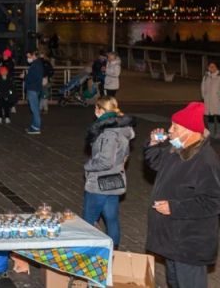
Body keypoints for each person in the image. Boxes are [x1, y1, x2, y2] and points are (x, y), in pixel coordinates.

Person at [145, 102, 220, 288]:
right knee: (175, 282)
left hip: (189, 244)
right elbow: (156, 163)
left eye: (175, 127)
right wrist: (153, 145)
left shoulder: (205, 160)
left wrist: (173, 207)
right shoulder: (178, 148)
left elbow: (213, 201)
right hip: (173, 240)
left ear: (190, 131)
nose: (170, 130)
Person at [83, 96, 135, 248]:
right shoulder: (123, 128)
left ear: (100, 110)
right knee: (112, 219)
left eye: (95, 108)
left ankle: (88, 253)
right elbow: (125, 156)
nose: (94, 111)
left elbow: (105, 161)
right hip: (115, 181)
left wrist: (88, 166)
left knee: (88, 221)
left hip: (99, 184)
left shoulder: (108, 132)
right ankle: (114, 252)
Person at [24, 51, 44, 134]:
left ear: (33, 56)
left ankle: (36, 128)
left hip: (33, 88)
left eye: (29, 56)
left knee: (34, 109)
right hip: (36, 88)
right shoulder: (38, 64)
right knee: (34, 108)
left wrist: (25, 77)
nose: (28, 58)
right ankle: (34, 126)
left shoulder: (36, 65)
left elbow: (33, 77)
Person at [201, 61, 220, 138]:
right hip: (208, 101)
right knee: (210, 117)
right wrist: (204, 97)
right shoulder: (206, 77)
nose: (211, 68)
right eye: (210, 66)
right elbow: (202, 88)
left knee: (219, 117)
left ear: (217, 67)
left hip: (217, 101)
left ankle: (218, 133)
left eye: (213, 66)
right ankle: (212, 133)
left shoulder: (219, 77)